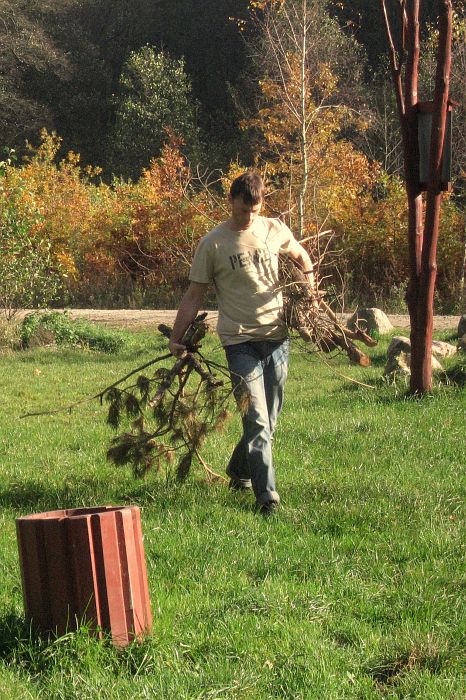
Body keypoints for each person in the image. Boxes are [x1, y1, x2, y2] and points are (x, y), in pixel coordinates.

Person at [169, 172, 314, 514]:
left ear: (262, 204)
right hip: (239, 343)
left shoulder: (273, 229)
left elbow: (302, 257)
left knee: (269, 421)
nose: (248, 217)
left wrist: (310, 293)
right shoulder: (213, 244)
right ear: (231, 201)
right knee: (257, 420)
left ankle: (238, 469)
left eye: (254, 210)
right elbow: (194, 295)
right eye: (242, 210)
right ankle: (267, 499)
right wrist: (177, 337)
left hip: (277, 339)